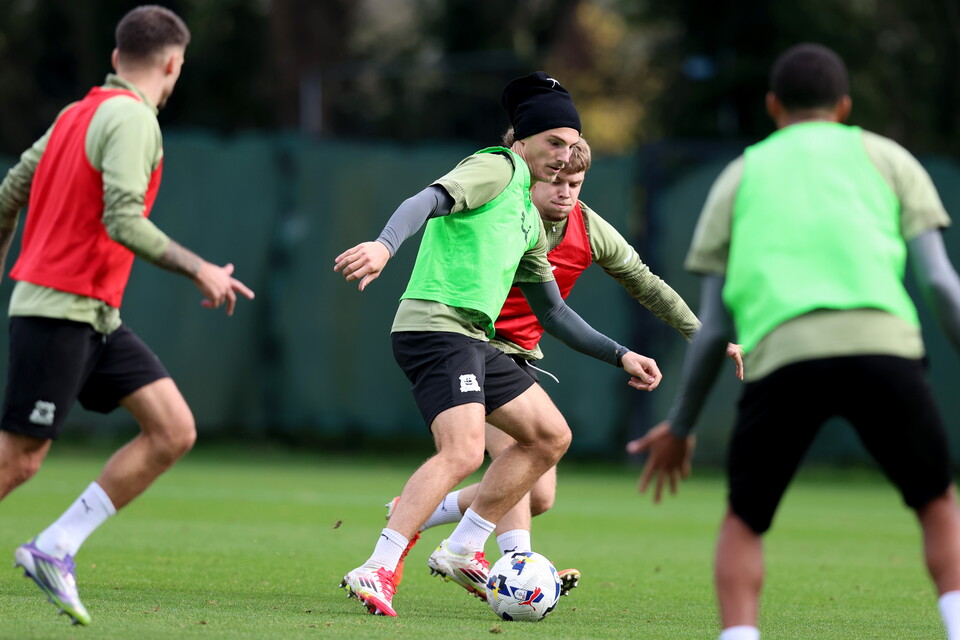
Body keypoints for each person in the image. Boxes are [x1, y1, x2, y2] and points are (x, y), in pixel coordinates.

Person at [626, 43, 960, 640]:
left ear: (773, 105)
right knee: (936, 504)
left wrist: (680, 426)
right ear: (845, 106)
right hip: (885, 348)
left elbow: (717, 327)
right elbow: (939, 280)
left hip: (785, 358)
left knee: (744, 523)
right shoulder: (888, 157)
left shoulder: (739, 175)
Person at [334, 71, 662, 618]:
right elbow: (428, 199)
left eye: (571, 145)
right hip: (436, 326)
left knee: (550, 437)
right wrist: (385, 246)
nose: (563, 156)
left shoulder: (530, 220)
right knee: (462, 451)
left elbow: (553, 312)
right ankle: (379, 565)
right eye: (553, 143)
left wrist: (620, 354)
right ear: (523, 140)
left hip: (473, 338)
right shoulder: (498, 166)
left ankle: (464, 545)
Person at [387, 135, 743, 593]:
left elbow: (646, 284)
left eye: (575, 182)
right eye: (555, 179)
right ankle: (510, 563)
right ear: (531, 177)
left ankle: (420, 509)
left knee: (540, 495)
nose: (565, 191)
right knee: (507, 453)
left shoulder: (589, 229)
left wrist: (700, 334)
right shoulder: (501, 208)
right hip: (475, 344)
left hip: (519, 357)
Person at [0, 5, 254, 626]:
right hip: (59, 310)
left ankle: (55, 547)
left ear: (116, 58)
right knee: (21, 457)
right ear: (173, 64)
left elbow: (9, 196)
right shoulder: (135, 119)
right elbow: (123, 218)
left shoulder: (74, 115)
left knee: (173, 429)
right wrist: (200, 268)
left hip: (93, 316)